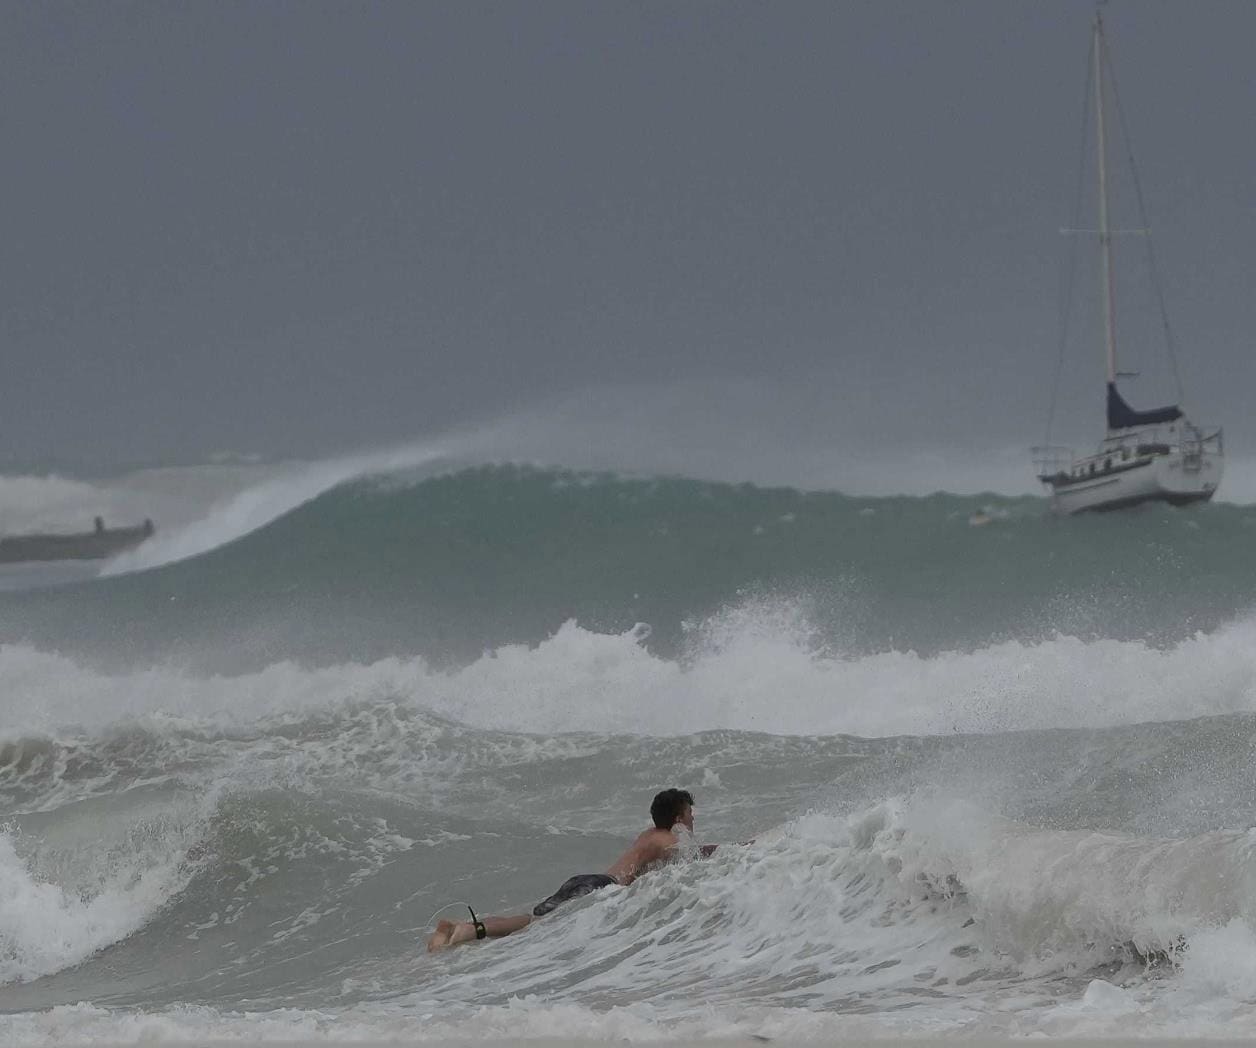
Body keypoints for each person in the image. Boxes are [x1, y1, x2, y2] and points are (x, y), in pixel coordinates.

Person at [426, 788, 731, 951]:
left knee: (533, 921)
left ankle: (465, 927)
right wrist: (735, 850)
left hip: (588, 881)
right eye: (690, 812)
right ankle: (466, 931)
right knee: (534, 926)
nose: (693, 819)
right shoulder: (667, 838)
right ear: (678, 817)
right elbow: (694, 855)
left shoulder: (648, 835)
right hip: (600, 888)